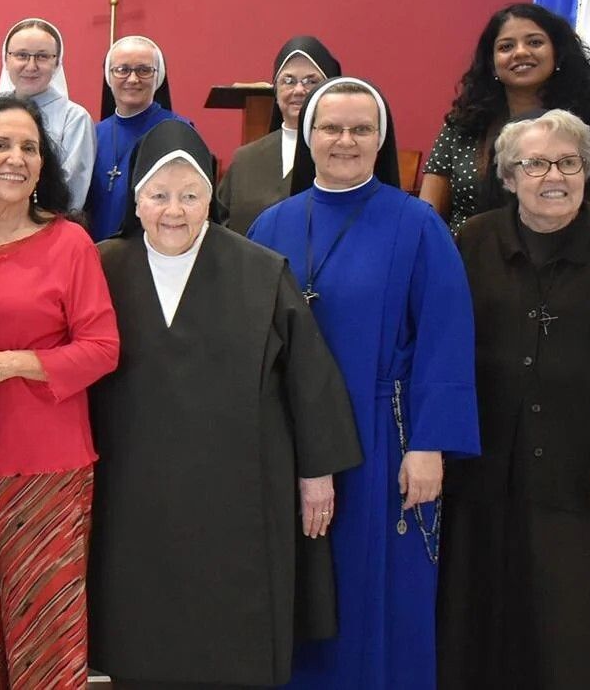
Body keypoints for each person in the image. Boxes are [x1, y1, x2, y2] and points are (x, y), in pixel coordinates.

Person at [88, 119, 361, 688]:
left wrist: (317, 475)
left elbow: (309, 376)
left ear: (210, 200)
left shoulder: (260, 272)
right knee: (143, 636)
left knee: (232, 640)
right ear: (136, 200)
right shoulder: (101, 268)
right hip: (132, 489)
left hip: (239, 493)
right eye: (159, 195)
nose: (174, 210)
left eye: (190, 196)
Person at [248, 77, 480, 690]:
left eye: (360, 129)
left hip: (386, 438)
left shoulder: (418, 225)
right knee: (297, 590)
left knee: (376, 593)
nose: (344, 140)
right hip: (292, 441)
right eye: (331, 128)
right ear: (308, 136)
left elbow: (445, 340)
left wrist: (430, 445)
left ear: (381, 140)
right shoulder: (270, 225)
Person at [438, 109, 590, 689]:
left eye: (568, 163)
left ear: (586, 174)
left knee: (577, 627)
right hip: (486, 466)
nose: (554, 176)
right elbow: (439, 345)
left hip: (585, 470)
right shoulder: (473, 239)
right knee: (482, 621)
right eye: (535, 164)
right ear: (510, 177)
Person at [0, 95, 119, 689]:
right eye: (1, 144)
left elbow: (102, 348)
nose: (16, 158)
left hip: (48, 466)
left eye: (30, 148)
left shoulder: (70, 244)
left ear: (43, 166)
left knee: (46, 629)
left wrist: (11, 364)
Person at [422, 3, 590, 230]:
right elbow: (428, 213)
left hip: (562, 260)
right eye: (506, 46)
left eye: (535, 42)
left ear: (557, 54)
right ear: (492, 64)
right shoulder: (465, 121)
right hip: (464, 256)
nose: (521, 52)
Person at [218, 36, 342, 235]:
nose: (299, 90)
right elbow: (219, 227)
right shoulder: (245, 159)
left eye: (311, 81)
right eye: (288, 81)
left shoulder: (343, 154)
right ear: (275, 90)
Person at [84, 34, 185, 240]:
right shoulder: (93, 132)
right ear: (108, 76)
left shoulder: (177, 130)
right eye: (122, 70)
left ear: (159, 76)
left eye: (144, 70)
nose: (133, 79)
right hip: (95, 248)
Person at [0, 18, 94, 208]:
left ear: (57, 63)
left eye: (42, 57)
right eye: (21, 55)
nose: (31, 66)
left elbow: (71, 190)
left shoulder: (74, 118)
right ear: (6, 60)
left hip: (47, 224)